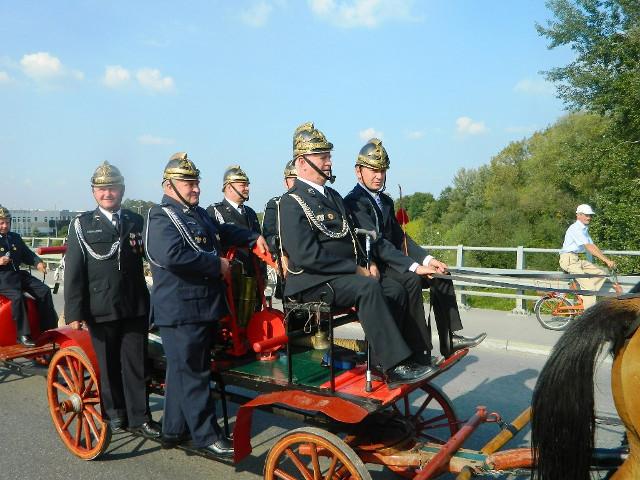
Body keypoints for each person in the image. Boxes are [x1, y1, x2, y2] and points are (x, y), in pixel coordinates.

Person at [278, 122, 436, 388]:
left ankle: (394, 358)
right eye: (322, 157)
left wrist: (368, 261)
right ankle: (394, 367)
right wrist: (355, 269)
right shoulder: (291, 202)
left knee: (395, 289)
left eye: (328, 156)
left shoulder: (332, 196)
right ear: (302, 162)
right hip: (312, 281)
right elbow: (307, 256)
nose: (329, 162)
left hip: (340, 275)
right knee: (367, 287)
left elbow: (352, 237)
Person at [145, 152, 268, 457]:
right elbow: (172, 256)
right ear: (169, 186)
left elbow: (223, 231)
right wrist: (217, 265)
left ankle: (173, 430)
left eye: (196, 182)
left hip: (201, 307)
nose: (196, 188)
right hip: (180, 310)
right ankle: (206, 436)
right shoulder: (160, 216)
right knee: (195, 374)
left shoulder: (198, 214)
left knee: (183, 371)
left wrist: (252, 237)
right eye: (189, 183)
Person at [344, 139, 485, 358]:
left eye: (382, 170)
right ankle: (419, 350)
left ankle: (450, 339)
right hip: (376, 266)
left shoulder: (385, 201)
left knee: (441, 274)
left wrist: (428, 260)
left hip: (394, 263)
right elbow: (378, 243)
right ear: (358, 171)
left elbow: (401, 238)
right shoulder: (354, 202)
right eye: (373, 170)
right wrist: (414, 267)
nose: (379, 176)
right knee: (411, 280)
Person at [64, 162, 160, 437]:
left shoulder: (136, 221)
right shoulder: (82, 225)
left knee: (136, 365)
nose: (107, 194)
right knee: (107, 364)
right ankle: (115, 413)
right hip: (100, 306)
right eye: (102, 189)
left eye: (113, 188)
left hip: (134, 304)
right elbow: (74, 271)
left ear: (122, 190)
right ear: (94, 192)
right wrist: (74, 312)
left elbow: (152, 256)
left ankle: (140, 417)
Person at [0, 205, 58, 347]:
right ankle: (23, 335)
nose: (5, 225)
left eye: (7, 222)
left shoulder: (15, 237)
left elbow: (28, 255)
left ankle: (48, 329)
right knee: (17, 297)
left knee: (44, 290)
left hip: (18, 274)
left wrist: (38, 263)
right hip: (2, 277)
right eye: (1, 223)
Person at [559, 204, 616, 309]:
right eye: (586, 215)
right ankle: (588, 314)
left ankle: (585, 297)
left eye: (590, 215)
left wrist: (606, 260)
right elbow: (589, 247)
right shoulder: (575, 228)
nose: (589, 217)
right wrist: (607, 261)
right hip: (568, 260)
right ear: (578, 215)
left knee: (602, 273)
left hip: (576, 259)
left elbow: (593, 246)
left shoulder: (583, 229)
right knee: (589, 288)